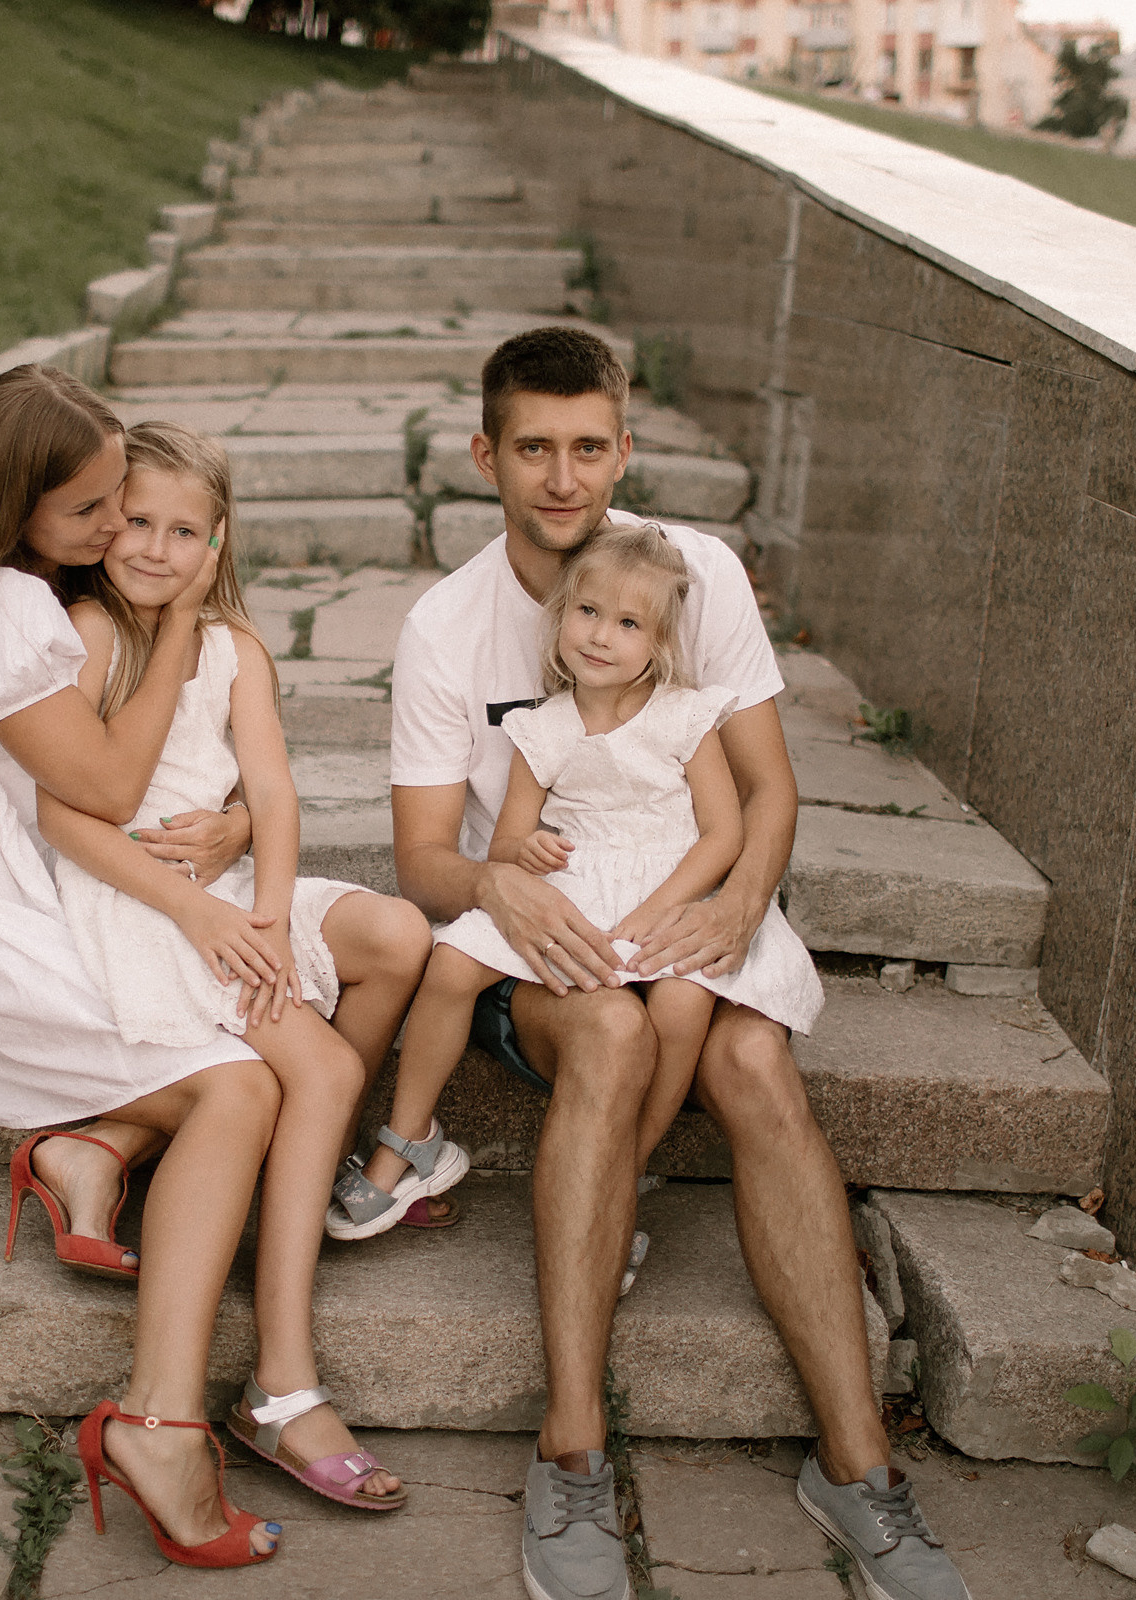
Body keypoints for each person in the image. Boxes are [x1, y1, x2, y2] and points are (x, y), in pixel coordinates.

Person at [386, 328, 973, 1600]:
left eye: (588, 445)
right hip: (547, 930)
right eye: (532, 448)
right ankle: (573, 1447)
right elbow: (424, 858)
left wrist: (742, 901)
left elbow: (764, 789)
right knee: (607, 1032)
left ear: (624, 446)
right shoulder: (445, 627)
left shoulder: (689, 571)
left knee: (757, 1062)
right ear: (487, 454)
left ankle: (860, 1469)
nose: (562, 476)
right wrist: (494, 878)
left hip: (696, 897)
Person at [0, 368, 424, 1570]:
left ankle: (111, 1154)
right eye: (100, 511)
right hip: (16, 918)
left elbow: (230, 771)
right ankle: (212, 1399)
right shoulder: (20, 618)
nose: (120, 532)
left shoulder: (53, 590)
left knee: (317, 1027)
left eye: (144, 509)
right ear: (26, 504)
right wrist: (183, 629)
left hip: (106, 880)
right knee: (267, 1081)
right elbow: (104, 797)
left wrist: (242, 843)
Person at [38, 419, 419, 1512]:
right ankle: (284, 1380)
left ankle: (243, 1185)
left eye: (183, 530)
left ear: (218, 540)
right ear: (105, 528)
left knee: (396, 937)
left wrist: (263, 908)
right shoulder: (90, 631)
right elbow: (60, 808)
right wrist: (218, 920)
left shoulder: (236, 648)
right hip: (141, 902)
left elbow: (276, 790)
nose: (154, 548)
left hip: (221, 900)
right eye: (136, 523)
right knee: (331, 1073)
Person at [333, 521, 821, 1242]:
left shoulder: (687, 717)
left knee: (683, 1002)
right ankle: (408, 1139)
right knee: (452, 961)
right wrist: (528, 853)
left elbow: (723, 834)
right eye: (587, 613)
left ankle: (620, 1176)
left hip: (670, 881)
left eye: (627, 624)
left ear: (658, 643)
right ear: (560, 618)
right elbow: (505, 842)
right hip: (582, 878)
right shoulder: (543, 728)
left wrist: (660, 911)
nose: (599, 636)